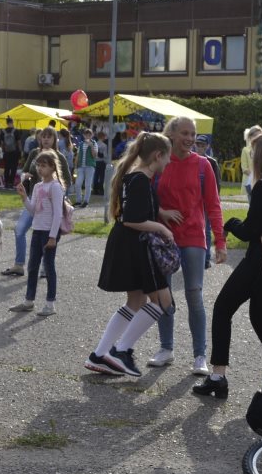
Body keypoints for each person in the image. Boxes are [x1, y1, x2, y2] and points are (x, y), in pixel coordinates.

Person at [194, 131, 262, 400]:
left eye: (254, 154)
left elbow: (251, 231)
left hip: (257, 265)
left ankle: (218, 377)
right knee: (259, 318)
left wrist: (230, 225)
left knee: (222, 308)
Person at [84, 132, 175, 376]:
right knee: (162, 301)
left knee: (136, 301)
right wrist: (161, 227)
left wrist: (160, 214)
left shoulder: (135, 177)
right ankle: (120, 351)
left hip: (129, 244)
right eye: (168, 157)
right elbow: (133, 220)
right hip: (136, 245)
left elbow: (133, 212)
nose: (169, 162)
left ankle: (100, 354)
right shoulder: (141, 180)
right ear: (158, 155)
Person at [148, 116, 226, 375]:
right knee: (164, 294)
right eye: (185, 133)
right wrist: (162, 212)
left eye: (193, 134)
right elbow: (144, 199)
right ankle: (166, 348)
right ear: (171, 134)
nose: (191, 139)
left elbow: (213, 205)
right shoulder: (159, 162)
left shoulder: (203, 166)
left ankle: (200, 355)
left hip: (193, 237)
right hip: (164, 237)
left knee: (194, 293)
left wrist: (220, 241)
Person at [2, 127, 69, 277]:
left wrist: (59, 195)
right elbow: (25, 171)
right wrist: (25, 176)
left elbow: (68, 180)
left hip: (50, 205)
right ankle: (19, 265)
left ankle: (45, 267)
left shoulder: (59, 156)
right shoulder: (34, 153)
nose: (45, 139)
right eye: (43, 136)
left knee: (46, 235)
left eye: (49, 137)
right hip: (34, 198)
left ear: (54, 139)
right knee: (19, 230)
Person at [10, 149, 64, 316]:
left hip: (49, 232)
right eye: (38, 165)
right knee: (32, 266)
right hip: (38, 230)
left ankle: (50, 304)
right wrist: (24, 197)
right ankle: (29, 300)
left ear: (53, 168)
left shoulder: (55, 187)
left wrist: (53, 236)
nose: (40, 169)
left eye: (44, 166)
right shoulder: (38, 186)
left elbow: (58, 214)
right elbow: (33, 210)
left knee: (48, 267)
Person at [194, 134, 221, 269]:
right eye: (198, 144)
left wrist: (214, 201)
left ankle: (205, 259)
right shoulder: (191, 160)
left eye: (202, 145)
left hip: (206, 201)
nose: (200, 147)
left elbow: (217, 184)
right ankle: (193, 258)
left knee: (207, 230)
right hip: (193, 202)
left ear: (207, 146)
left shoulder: (212, 162)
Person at [74, 128, 98, 208]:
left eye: (89, 134)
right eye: (86, 134)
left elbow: (94, 156)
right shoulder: (81, 144)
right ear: (84, 135)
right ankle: (78, 200)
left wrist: (91, 145)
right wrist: (75, 166)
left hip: (90, 166)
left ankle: (86, 201)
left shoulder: (94, 143)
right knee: (77, 184)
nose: (88, 136)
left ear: (92, 135)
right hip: (81, 166)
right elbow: (77, 155)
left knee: (88, 184)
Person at [241, 125, 262, 202]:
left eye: (259, 135)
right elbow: (244, 168)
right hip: (251, 182)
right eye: (255, 135)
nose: (257, 137)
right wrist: (255, 175)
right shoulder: (246, 150)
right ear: (250, 137)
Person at [1, 117, 22, 190]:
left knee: (6, 168)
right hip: (15, 152)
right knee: (13, 168)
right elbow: (19, 142)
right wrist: (20, 152)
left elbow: (2, 143)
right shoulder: (16, 131)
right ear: (12, 122)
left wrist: (4, 151)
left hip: (6, 153)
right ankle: (11, 183)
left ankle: (6, 183)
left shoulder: (3, 131)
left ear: (6, 123)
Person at [57, 128, 74, 197]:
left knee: (61, 180)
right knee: (67, 179)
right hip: (69, 164)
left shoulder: (59, 142)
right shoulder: (69, 142)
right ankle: (66, 196)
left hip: (61, 163)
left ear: (61, 134)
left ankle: (62, 195)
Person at [93, 131, 108, 196]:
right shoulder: (104, 145)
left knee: (96, 176)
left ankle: (95, 189)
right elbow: (105, 155)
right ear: (103, 137)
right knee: (102, 176)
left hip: (95, 161)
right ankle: (101, 190)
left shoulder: (94, 144)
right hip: (102, 162)